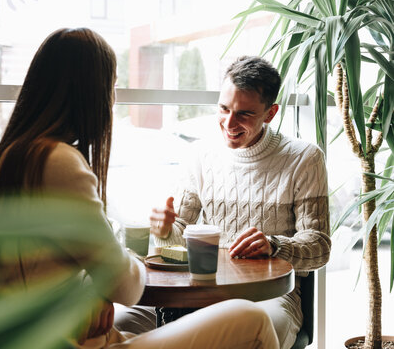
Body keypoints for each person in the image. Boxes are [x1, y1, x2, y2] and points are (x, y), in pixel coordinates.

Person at [0, 29, 280, 349]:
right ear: (90, 92)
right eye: (111, 86)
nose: (112, 100)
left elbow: (47, 266)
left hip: (55, 334)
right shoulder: (59, 163)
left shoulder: (12, 157)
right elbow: (125, 286)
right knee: (253, 319)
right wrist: (122, 263)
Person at [116, 56, 331, 349]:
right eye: (223, 108)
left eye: (244, 114)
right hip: (196, 293)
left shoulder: (304, 158)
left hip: (268, 297)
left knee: (252, 333)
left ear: (270, 114)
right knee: (117, 324)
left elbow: (319, 246)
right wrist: (164, 228)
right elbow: (179, 231)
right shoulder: (201, 155)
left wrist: (274, 246)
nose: (229, 123)